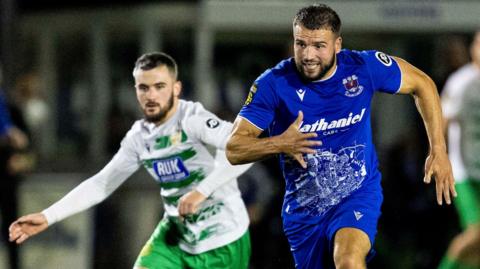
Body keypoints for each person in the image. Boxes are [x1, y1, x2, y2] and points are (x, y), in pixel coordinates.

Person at [226, 4, 456, 269]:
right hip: (305, 210)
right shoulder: (273, 84)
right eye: (301, 44)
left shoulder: (363, 67)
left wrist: (438, 150)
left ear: (337, 45)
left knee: (347, 260)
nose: (308, 55)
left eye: (319, 46)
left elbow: (423, 84)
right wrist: (280, 143)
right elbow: (234, 148)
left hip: (357, 194)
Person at [9, 52, 252, 269]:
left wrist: (201, 191)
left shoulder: (193, 119)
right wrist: (48, 216)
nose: (151, 95)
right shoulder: (139, 137)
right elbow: (102, 183)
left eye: (159, 86)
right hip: (176, 235)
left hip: (224, 237)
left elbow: (247, 151)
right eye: (143, 88)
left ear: (176, 88)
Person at [439, 31, 480, 269]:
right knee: (476, 233)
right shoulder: (461, 82)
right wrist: (439, 157)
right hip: (464, 172)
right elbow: (442, 121)